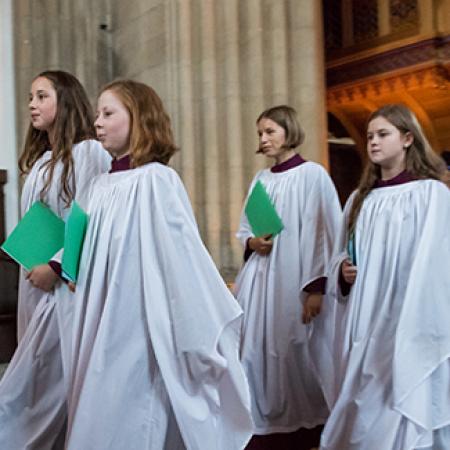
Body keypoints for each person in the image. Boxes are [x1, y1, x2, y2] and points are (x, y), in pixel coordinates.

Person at [65, 79, 253, 450]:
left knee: (133, 409)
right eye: (96, 115)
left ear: (138, 118)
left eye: (108, 113)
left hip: (138, 315)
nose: (97, 123)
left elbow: (181, 253)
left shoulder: (157, 179)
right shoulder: (97, 186)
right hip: (96, 310)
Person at [320, 104, 450, 450]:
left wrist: (409, 317)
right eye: (370, 136)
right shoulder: (360, 200)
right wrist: (343, 273)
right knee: (364, 403)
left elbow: (437, 261)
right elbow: (338, 258)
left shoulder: (430, 194)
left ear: (408, 138)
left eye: (383, 134)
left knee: (403, 398)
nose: (374, 142)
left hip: (410, 317)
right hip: (365, 320)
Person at [0, 70, 111, 449]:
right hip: (37, 285)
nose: (32, 103)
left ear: (65, 101)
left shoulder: (88, 152)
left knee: (34, 387)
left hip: (66, 286)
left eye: (42, 96)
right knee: (40, 384)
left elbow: (92, 217)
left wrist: (58, 265)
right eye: (30, 96)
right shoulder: (43, 160)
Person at [233, 105, 341, 449]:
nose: (263, 140)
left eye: (270, 132)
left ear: (289, 131)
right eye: (260, 134)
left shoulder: (313, 175)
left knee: (296, 347)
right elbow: (245, 227)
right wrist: (252, 241)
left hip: (295, 276)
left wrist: (316, 287)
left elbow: (325, 230)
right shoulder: (261, 179)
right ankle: (263, 418)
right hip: (260, 276)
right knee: (254, 348)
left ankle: (307, 423)